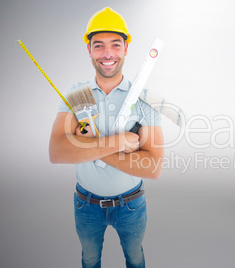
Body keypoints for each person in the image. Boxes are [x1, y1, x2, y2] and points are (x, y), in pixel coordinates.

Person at [49, 7, 164, 268]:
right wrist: (116, 142)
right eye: (98, 46)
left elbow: (153, 167)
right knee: (90, 259)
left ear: (125, 49)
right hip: (86, 205)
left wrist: (87, 145)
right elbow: (57, 152)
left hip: (131, 206)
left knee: (135, 258)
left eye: (115, 44)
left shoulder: (146, 99)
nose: (108, 54)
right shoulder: (77, 94)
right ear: (89, 50)